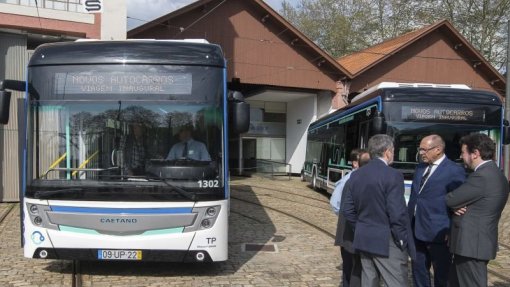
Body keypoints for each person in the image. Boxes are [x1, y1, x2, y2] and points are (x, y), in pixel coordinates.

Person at [342, 134, 415, 287]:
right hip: (388, 240)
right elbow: (397, 212)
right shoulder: (393, 175)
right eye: (393, 151)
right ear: (387, 151)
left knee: (369, 281)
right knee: (396, 282)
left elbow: (347, 209)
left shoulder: (356, 175)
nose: (393, 154)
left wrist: (361, 227)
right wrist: (402, 238)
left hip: (364, 237)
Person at [446, 133, 509, 287]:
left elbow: (451, 199)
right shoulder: (495, 173)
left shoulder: (482, 175)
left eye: (463, 152)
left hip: (471, 244)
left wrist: (455, 204)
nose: (461, 156)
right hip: (476, 243)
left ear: (475, 154)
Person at [407, 135, 465, 287]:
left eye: (424, 149)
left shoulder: (454, 171)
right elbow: (416, 197)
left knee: (442, 274)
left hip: (439, 232)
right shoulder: (420, 168)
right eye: (420, 149)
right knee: (418, 271)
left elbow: (460, 203)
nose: (421, 153)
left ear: (438, 149)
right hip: (415, 228)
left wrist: (451, 229)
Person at [332, 148, 370, 287]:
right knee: (352, 269)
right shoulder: (349, 179)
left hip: (351, 232)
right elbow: (336, 204)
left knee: (351, 270)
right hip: (349, 233)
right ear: (355, 163)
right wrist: (346, 221)